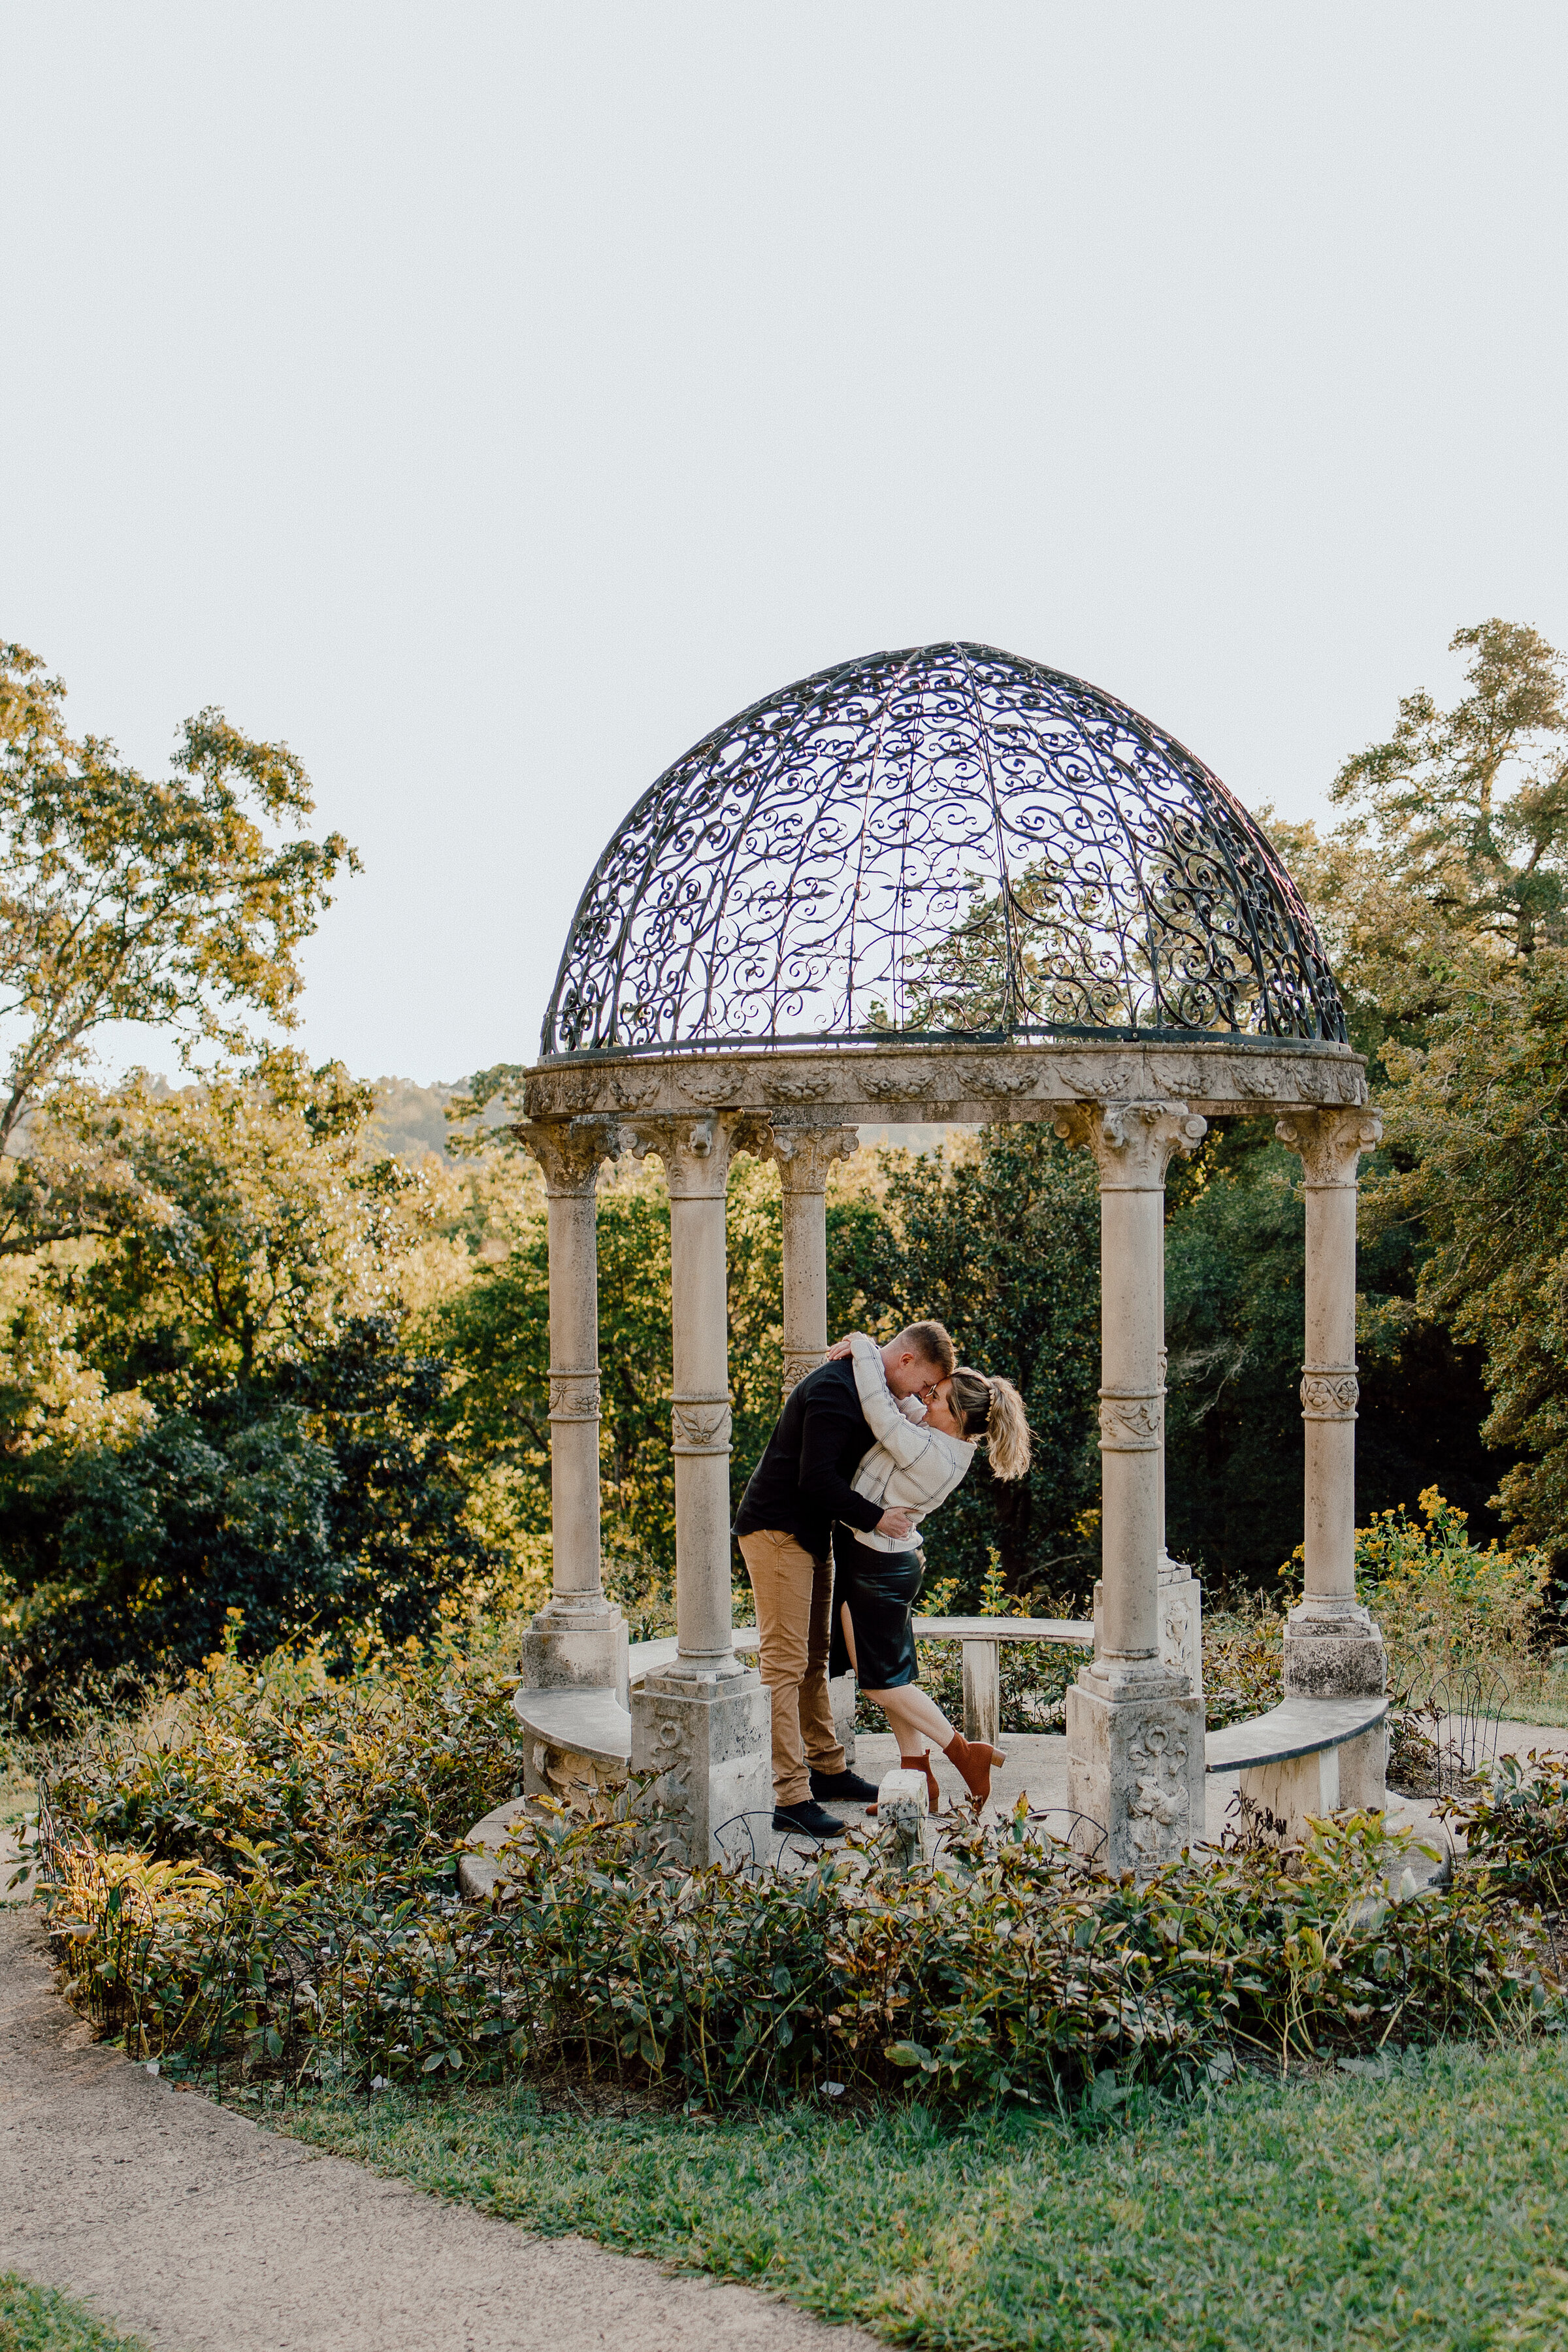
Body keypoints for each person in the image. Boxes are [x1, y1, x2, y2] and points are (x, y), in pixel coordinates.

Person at [734, 1321, 957, 1840]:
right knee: (785, 1665)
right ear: (906, 1361)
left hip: (813, 1535)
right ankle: (790, 1797)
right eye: (925, 1384)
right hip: (777, 1530)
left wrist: (861, 1342)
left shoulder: (871, 1383)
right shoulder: (837, 1389)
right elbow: (816, 1479)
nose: (925, 1397)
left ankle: (828, 1770)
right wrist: (876, 1518)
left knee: (814, 1659)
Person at [825, 1331, 1032, 1810]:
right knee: (891, 1679)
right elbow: (902, 1407)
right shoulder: (941, 1437)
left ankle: (964, 1752)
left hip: (877, 1566)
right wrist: (883, 1358)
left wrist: (862, 1347)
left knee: (880, 1683)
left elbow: (880, 1411)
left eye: (934, 1395)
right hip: (881, 1559)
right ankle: (918, 1775)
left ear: (957, 1416)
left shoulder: (931, 1452)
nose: (924, 1396)